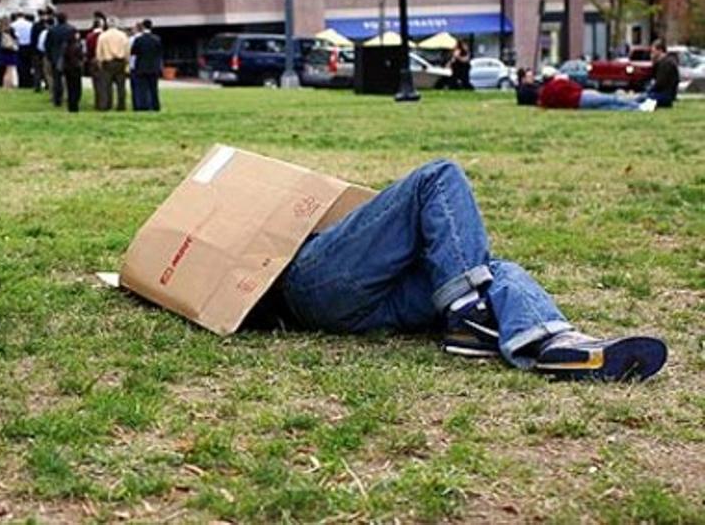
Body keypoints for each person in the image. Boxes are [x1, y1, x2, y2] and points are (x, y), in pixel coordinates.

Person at [250, 160, 667, 382]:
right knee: (439, 176)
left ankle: (550, 341)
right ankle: (467, 308)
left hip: (371, 309)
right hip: (304, 284)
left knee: (490, 268)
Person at [539, 73, 656, 111]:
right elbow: (574, 86)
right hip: (582, 96)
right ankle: (639, 104)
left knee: (610, 107)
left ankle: (636, 107)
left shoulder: (546, 95)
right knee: (611, 99)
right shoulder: (557, 83)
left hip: (578, 105)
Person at [96, 17, 129, 111]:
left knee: (106, 86)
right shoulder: (123, 35)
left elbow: (99, 51)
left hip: (107, 62)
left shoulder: (103, 36)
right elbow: (127, 50)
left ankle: (106, 105)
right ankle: (121, 105)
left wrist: (100, 61)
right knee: (121, 86)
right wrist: (126, 61)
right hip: (120, 62)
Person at [130, 19, 163, 112]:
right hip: (154, 67)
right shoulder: (157, 39)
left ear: (143, 27)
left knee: (142, 89)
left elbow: (133, 52)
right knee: (154, 88)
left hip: (141, 67)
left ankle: (143, 106)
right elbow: (159, 52)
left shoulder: (139, 40)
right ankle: (155, 105)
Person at [44, 12, 74, 107]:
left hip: (55, 57)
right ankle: (70, 97)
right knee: (69, 79)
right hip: (69, 57)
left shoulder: (52, 30)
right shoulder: (71, 29)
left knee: (57, 80)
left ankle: (57, 99)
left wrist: (49, 56)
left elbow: (47, 45)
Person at [646, 41, 679, 108]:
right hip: (664, 94)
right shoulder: (663, 63)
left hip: (665, 95)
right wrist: (654, 62)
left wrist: (649, 91)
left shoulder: (666, 64)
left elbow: (660, 83)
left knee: (640, 99)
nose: (652, 54)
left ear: (660, 51)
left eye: (653, 51)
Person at [85, 13, 107, 110]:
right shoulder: (104, 35)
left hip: (93, 60)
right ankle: (104, 103)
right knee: (104, 83)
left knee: (96, 83)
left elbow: (88, 50)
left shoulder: (89, 36)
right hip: (103, 59)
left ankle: (97, 103)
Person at [62, 22, 86, 113]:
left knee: (70, 88)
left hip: (68, 69)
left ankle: (71, 105)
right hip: (76, 69)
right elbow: (81, 57)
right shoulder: (77, 45)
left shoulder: (65, 46)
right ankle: (75, 105)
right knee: (76, 88)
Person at [11, 12, 35, 88]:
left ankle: (21, 82)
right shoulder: (30, 24)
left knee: (20, 67)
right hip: (28, 46)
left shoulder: (13, 25)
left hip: (18, 47)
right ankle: (28, 82)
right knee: (28, 66)